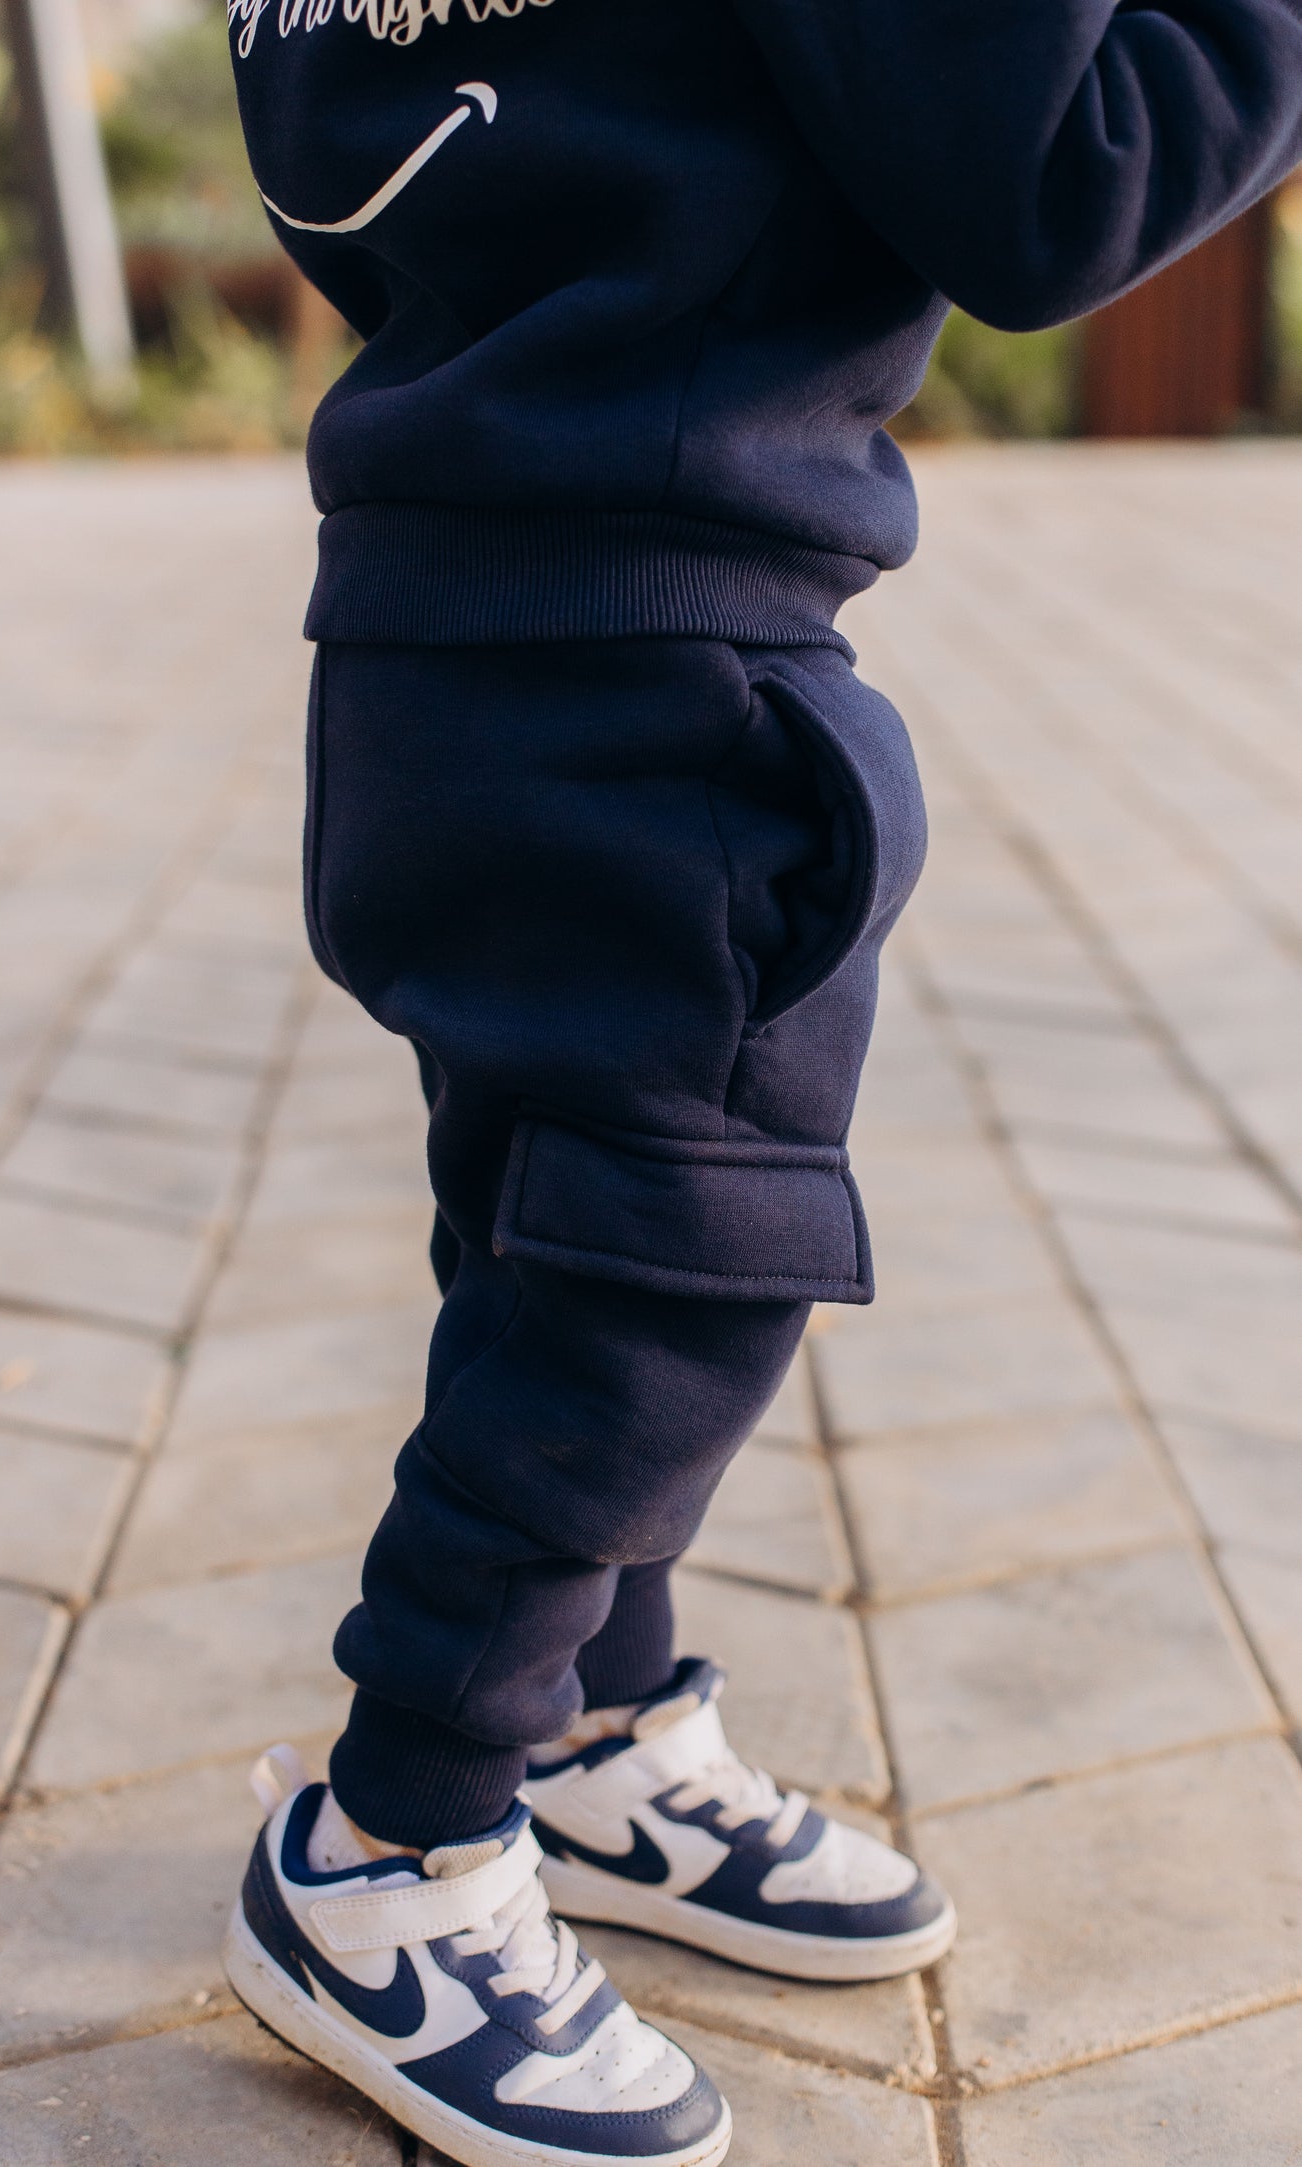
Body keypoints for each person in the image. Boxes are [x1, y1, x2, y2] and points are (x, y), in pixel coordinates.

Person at [218, 5, 1302, 2162]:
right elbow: (1051, 184)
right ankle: (395, 1844)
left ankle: (588, 1730)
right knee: (675, 1264)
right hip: (663, 626)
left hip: (445, 605)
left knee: (550, 1225)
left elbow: (342, 152)